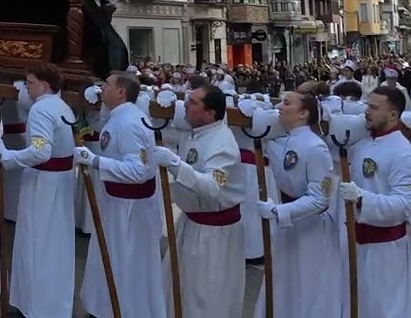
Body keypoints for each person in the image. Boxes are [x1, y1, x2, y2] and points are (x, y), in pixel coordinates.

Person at [74, 70, 166, 318]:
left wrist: (95, 162)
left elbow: (139, 170)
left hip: (130, 208)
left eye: (107, 85)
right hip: (115, 202)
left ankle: (125, 310)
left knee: (126, 263)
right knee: (110, 259)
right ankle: (103, 308)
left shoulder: (129, 122)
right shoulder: (118, 116)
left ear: (122, 92)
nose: (102, 89)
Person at [151, 82, 246, 318]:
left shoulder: (222, 144)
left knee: (205, 294)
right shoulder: (197, 134)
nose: (185, 105)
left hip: (213, 233)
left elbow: (212, 187)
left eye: (193, 102)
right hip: (191, 224)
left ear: (210, 113)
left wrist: (174, 164)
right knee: (180, 288)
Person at [249, 87, 344, 318]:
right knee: (285, 286)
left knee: (308, 289)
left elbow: (320, 198)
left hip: (312, 230)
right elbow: (249, 132)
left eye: (287, 103)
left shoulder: (316, 147)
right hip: (289, 228)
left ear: (303, 114)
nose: (280, 107)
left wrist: (279, 210)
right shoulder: (281, 140)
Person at [0, 62, 76, 317]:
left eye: (30, 82)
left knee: (37, 241)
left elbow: (41, 150)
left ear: (45, 85)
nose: (26, 87)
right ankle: (49, 302)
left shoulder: (41, 110)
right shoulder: (61, 105)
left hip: (44, 184)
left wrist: (8, 157)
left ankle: (37, 304)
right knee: (53, 243)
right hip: (58, 181)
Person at [339, 84, 411, 318]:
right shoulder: (364, 143)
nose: (366, 112)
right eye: (367, 106)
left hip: (385, 249)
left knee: (384, 308)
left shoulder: (403, 152)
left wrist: (362, 199)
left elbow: (404, 205)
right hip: (355, 241)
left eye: (373, 107)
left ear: (392, 115)